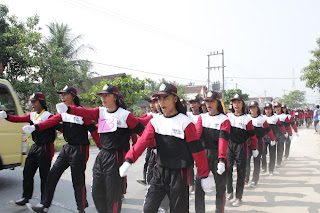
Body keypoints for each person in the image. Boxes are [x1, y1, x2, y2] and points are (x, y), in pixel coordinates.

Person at [119, 83, 212, 213]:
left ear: (175, 99)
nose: (161, 103)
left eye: (165, 98)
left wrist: (204, 175)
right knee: (148, 208)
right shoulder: (156, 122)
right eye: (159, 99)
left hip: (179, 173)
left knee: (178, 209)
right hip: (160, 171)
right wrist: (129, 160)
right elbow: (143, 141)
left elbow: (197, 151)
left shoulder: (185, 123)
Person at [55, 84, 144, 213]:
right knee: (97, 193)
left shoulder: (125, 115)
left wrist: (149, 149)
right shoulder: (100, 112)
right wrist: (68, 109)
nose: (103, 98)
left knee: (113, 195)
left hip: (116, 157)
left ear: (115, 97)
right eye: (102, 95)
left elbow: (144, 133)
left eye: (106, 95)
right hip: (102, 156)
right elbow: (84, 112)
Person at [25, 86, 101, 213]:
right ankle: (44, 205)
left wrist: (100, 145)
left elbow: (93, 130)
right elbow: (51, 121)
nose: (62, 97)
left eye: (65, 95)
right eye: (62, 95)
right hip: (68, 148)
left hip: (80, 149)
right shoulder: (63, 113)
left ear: (73, 96)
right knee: (52, 175)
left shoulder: (82, 112)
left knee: (78, 181)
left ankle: (81, 208)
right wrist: (36, 127)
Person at [0, 93, 58, 206]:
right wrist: (6, 116)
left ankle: (44, 201)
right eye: (31, 102)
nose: (32, 104)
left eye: (34, 102)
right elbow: (19, 119)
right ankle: (25, 197)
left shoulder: (48, 116)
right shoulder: (32, 115)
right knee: (27, 172)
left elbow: (59, 126)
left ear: (41, 102)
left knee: (44, 176)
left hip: (45, 147)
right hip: (35, 146)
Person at [194, 91, 231, 213]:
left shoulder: (224, 120)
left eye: (211, 101)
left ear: (218, 103)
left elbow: (223, 141)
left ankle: (219, 210)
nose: (208, 104)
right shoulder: (202, 118)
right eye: (207, 101)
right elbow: (196, 136)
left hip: (217, 155)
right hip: (203, 155)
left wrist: (221, 159)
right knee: (199, 187)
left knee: (220, 187)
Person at [226, 94, 258, 207]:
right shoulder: (228, 117)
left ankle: (238, 197)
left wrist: (254, 148)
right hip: (230, 146)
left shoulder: (247, 120)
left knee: (241, 172)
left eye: (238, 102)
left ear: (242, 104)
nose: (236, 105)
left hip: (242, 147)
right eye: (234, 102)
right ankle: (229, 191)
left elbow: (253, 136)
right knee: (227, 169)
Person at [245, 101, 275, 187]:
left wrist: (272, 139)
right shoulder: (247, 118)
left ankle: (255, 179)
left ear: (257, 108)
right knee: (246, 161)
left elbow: (269, 130)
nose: (252, 109)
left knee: (256, 162)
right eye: (250, 108)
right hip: (248, 141)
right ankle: (246, 178)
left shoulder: (262, 119)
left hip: (258, 142)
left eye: (253, 107)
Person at [136, 97, 158, 186]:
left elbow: (144, 121)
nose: (152, 105)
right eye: (150, 103)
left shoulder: (158, 115)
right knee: (147, 161)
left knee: (154, 164)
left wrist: (128, 119)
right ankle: (146, 179)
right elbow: (141, 119)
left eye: (154, 102)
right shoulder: (149, 114)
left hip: (158, 143)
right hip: (150, 143)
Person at [262, 102, 286, 175]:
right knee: (263, 153)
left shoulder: (275, 118)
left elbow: (281, 126)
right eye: (266, 109)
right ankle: (264, 167)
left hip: (272, 137)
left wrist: (285, 133)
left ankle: (271, 169)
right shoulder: (262, 117)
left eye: (269, 109)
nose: (267, 111)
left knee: (272, 153)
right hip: (264, 137)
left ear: (272, 110)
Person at [187, 94, 203, 194]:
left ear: (199, 104)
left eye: (194, 103)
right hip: (189, 143)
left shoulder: (203, 116)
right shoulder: (187, 115)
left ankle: (199, 183)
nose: (192, 105)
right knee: (190, 165)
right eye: (191, 103)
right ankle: (191, 184)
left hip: (200, 144)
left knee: (200, 165)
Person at [273, 102, 289, 168]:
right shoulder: (272, 116)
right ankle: (272, 162)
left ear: (280, 108)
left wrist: (288, 134)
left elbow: (288, 125)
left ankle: (279, 162)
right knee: (272, 149)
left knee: (280, 148)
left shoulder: (285, 116)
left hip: (281, 134)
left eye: (278, 107)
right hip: (274, 134)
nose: (277, 109)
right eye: (275, 107)